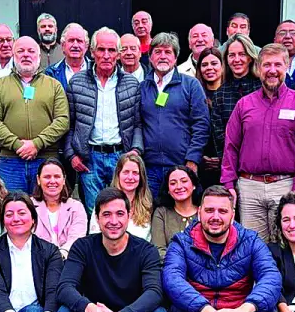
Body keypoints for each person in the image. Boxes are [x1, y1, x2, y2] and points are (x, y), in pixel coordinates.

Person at [221, 44, 295, 237]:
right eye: (266, 65)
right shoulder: (244, 105)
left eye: (277, 65)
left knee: (284, 246)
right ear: (258, 68)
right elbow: (231, 147)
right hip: (249, 188)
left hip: (286, 186)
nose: (272, 71)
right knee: (252, 248)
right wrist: (228, 185)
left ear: (287, 66)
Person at [64, 27, 143, 212]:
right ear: (92, 52)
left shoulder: (131, 83)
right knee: (95, 212)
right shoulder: (77, 82)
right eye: (101, 49)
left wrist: (135, 151)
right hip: (89, 158)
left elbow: (138, 123)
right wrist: (71, 155)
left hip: (121, 156)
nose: (106, 55)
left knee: (122, 210)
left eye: (111, 50)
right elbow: (69, 124)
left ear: (118, 54)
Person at [0, 35, 70, 194]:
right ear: (13, 55)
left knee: (46, 208)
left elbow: (62, 120)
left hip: (46, 160)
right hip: (11, 161)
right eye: (21, 51)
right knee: (12, 208)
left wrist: (37, 144)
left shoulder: (54, 85)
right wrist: (18, 145)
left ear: (38, 56)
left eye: (31, 51)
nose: (26, 55)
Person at [139, 32, 209, 198]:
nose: (163, 56)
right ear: (150, 57)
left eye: (168, 52)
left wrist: (192, 159)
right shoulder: (142, 88)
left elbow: (201, 124)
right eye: (158, 52)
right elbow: (137, 124)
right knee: (152, 216)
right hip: (150, 168)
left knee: (182, 215)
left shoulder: (191, 85)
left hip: (181, 166)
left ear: (176, 57)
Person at [89, 152, 153, 241]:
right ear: (118, 174)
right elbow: (94, 238)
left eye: (135, 173)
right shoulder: (103, 202)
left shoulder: (148, 206)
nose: (130, 177)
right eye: (126, 172)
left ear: (141, 177)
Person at [33, 157, 86, 258]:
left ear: (64, 180)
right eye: (47, 177)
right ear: (38, 180)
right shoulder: (28, 206)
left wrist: (61, 255)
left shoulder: (76, 207)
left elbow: (76, 238)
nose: (52, 181)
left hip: (68, 260)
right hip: (38, 260)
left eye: (57, 177)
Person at [196, 46, 232, 188]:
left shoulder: (231, 93)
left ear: (223, 66)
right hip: (201, 163)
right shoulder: (194, 94)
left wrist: (222, 159)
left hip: (227, 164)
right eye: (204, 65)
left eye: (214, 63)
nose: (209, 68)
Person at [150, 164, 201, 259]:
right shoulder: (161, 213)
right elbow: (159, 250)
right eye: (173, 183)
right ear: (168, 190)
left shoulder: (204, 211)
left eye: (184, 181)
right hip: (170, 269)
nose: (179, 186)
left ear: (194, 185)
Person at [46, 22, 89, 91]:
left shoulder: (95, 70)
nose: (75, 45)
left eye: (79, 41)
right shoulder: (51, 74)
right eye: (71, 41)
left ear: (86, 46)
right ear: (63, 46)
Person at [222, 33, 260, 100]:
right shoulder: (220, 94)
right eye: (232, 55)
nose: (236, 60)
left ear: (250, 58)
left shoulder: (262, 88)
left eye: (242, 54)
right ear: (226, 59)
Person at [274, 20, 295, 88]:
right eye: (282, 33)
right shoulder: (266, 60)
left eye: (293, 33)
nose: (287, 36)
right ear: (274, 40)